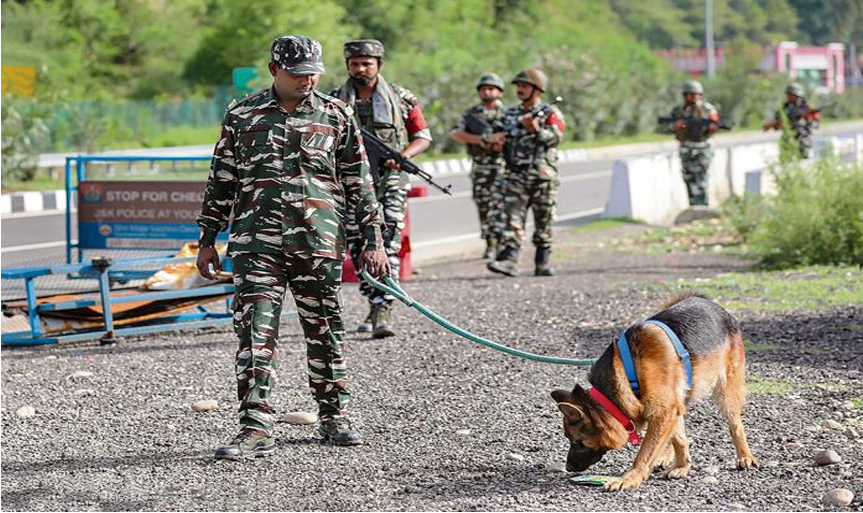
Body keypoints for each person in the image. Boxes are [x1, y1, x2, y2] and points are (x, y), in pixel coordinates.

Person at [196, 35, 388, 459]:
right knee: (254, 332)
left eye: (313, 73)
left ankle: (334, 415)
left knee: (324, 329)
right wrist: (208, 238)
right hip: (255, 245)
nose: (307, 80)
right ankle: (256, 426)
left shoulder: (336, 114)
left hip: (316, 243)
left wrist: (373, 241)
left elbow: (360, 182)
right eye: (298, 73)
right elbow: (221, 180)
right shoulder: (242, 115)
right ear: (274, 70)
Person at [329, 39, 432, 339]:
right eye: (355, 64)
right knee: (359, 245)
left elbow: (423, 136)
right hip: (351, 185)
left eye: (367, 64)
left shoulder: (401, 98)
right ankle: (374, 302)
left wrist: (404, 157)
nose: (360, 69)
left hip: (390, 183)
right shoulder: (335, 101)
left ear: (379, 65)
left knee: (387, 242)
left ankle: (385, 306)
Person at [485, 69, 565, 278]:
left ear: (537, 89)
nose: (519, 89)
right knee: (511, 219)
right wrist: (495, 141)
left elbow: (555, 139)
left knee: (544, 220)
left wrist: (536, 128)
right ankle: (509, 261)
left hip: (542, 176)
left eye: (524, 86)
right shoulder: (510, 114)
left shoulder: (550, 113)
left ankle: (542, 263)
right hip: (515, 175)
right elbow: (496, 137)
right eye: (518, 86)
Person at [450, 73, 508, 260]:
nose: (486, 91)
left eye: (491, 88)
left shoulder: (507, 114)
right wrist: (481, 139)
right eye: (483, 88)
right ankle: (490, 243)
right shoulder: (471, 114)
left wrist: (502, 141)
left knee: (502, 206)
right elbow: (457, 133)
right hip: (481, 167)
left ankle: (502, 243)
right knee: (484, 206)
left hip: (503, 166)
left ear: (499, 92)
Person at [662, 80, 720, 207]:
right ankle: (693, 205)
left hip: (703, 147)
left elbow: (716, 124)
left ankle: (703, 206)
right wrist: (676, 126)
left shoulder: (707, 109)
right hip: (686, 147)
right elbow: (667, 128)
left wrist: (710, 127)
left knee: (701, 178)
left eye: (694, 94)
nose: (691, 97)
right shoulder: (679, 111)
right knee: (688, 177)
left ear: (700, 95)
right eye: (688, 94)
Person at [763, 83, 820, 158]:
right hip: (787, 139)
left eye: (790, 94)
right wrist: (782, 123)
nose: (788, 96)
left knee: (803, 161)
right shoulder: (784, 108)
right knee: (786, 162)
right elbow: (776, 124)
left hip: (802, 140)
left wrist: (807, 118)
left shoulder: (807, 108)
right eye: (788, 94)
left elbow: (815, 125)